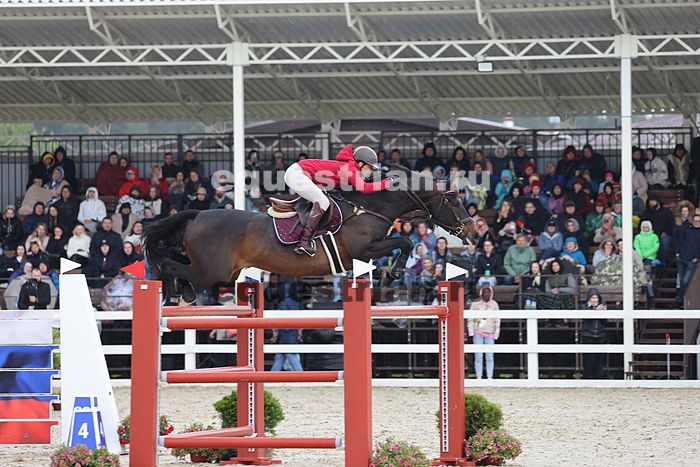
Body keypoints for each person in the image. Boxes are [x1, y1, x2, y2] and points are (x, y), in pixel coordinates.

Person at [283, 145, 393, 256]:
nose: (371, 171)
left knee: (324, 200)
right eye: (370, 168)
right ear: (360, 163)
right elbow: (364, 188)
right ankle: (304, 242)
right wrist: (387, 182)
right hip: (297, 174)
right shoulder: (350, 168)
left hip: (297, 173)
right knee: (323, 202)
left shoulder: (349, 167)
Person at [467, 286, 500, 379]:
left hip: (490, 333)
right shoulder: (475, 304)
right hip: (478, 332)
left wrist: (496, 333)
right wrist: (471, 331)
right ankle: (479, 376)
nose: (486, 294)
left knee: (489, 356)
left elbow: (497, 319)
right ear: (481, 293)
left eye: (488, 292)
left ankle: (489, 376)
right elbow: (470, 319)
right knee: (478, 356)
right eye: (485, 292)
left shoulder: (494, 304)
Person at [580, 288, 608, 379]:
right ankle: (587, 377)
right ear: (589, 298)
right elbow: (586, 318)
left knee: (599, 358)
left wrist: (603, 312)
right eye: (593, 298)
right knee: (589, 358)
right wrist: (595, 310)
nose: (595, 300)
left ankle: (598, 377)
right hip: (588, 335)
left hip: (600, 335)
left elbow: (605, 322)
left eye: (596, 298)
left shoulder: (602, 307)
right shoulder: (584, 307)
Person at [673, 214, 700, 307]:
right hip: (681, 258)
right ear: (692, 221)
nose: (696, 223)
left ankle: (679, 300)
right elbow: (679, 240)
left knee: (685, 281)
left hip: (692, 260)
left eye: (698, 221)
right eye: (695, 221)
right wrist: (678, 253)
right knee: (681, 281)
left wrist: (697, 257)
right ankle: (680, 300)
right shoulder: (686, 229)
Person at [639, 197, 675, 262]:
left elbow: (672, 225)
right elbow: (641, 225)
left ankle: (662, 262)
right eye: (650, 202)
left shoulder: (667, 212)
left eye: (653, 201)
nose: (651, 203)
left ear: (658, 202)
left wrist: (666, 232)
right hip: (649, 234)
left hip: (663, 234)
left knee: (665, 241)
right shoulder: (646, 213)